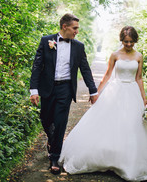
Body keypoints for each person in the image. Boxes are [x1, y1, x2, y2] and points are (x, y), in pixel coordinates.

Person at [59, 26, 147, 181]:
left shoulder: (139, 56)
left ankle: (127, 160)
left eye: (131, 42)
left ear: (135, 40)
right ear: (121, 40)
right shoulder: (115, 54)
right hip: (116, 90)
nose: (128, 44)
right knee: (110, 123)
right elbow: (108, 74)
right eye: (125, 41)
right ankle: (107, 158)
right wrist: (96, 92)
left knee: (131, 126)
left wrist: (144, 97)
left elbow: (139, 78)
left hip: (132, 92)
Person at [29, 13, 99, 175]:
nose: (76, 31)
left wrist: (93, 90)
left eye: (77, 28)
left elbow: (85, 69)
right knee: (45, 119)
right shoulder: (47, 41)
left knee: (60, 122)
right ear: (64, 26)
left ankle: (55, 158)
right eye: (74, 28)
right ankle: (52, 140)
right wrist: (34, 90)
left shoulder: (79, 47)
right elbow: (37, 67)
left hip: (65, 89)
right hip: (47, 88)